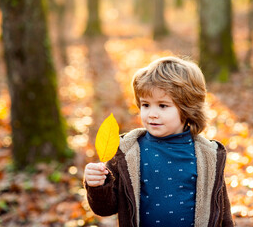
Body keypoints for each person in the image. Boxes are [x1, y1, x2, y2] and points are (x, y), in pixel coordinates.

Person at [84, 56, 234, 227]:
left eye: (162, 105)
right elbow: (106, 209)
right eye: (146, 105)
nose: (152, 114)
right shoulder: (128, 151)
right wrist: (97, 185)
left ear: (187, 108)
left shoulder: (208, 156)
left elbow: (222, 212)